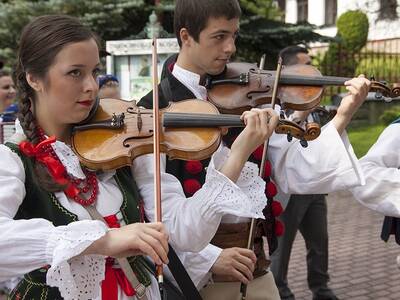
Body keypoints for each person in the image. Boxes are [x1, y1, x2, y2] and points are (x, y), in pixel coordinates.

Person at [0, 14, 281, 300]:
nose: (91, 86)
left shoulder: (123, 147)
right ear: (34, 78)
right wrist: (102, 240)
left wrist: (237, 155)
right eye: (75, 73)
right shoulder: (12, 161)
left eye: (94, 72)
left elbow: (187, 234)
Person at [138, 1, 370, 299]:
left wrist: (343, 116)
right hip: (200, 281)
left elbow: (294, 168)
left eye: (234, 35)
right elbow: (155, 217)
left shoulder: (246, 95)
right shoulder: (153, 111)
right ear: (186, 36)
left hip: (258, 272)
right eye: (219, 37)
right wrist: (209, 259)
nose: (231, 47)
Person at [270, 46, 337, 300]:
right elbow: (283, 140)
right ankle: (281, 292)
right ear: (288, 70)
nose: (314, 71)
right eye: (306, 65)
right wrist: (304, 111)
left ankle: (321, 289)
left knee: (320, 244)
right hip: (290, 191)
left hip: (315, 189)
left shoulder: (313, 99)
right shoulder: (275, 103)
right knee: (281, 249)